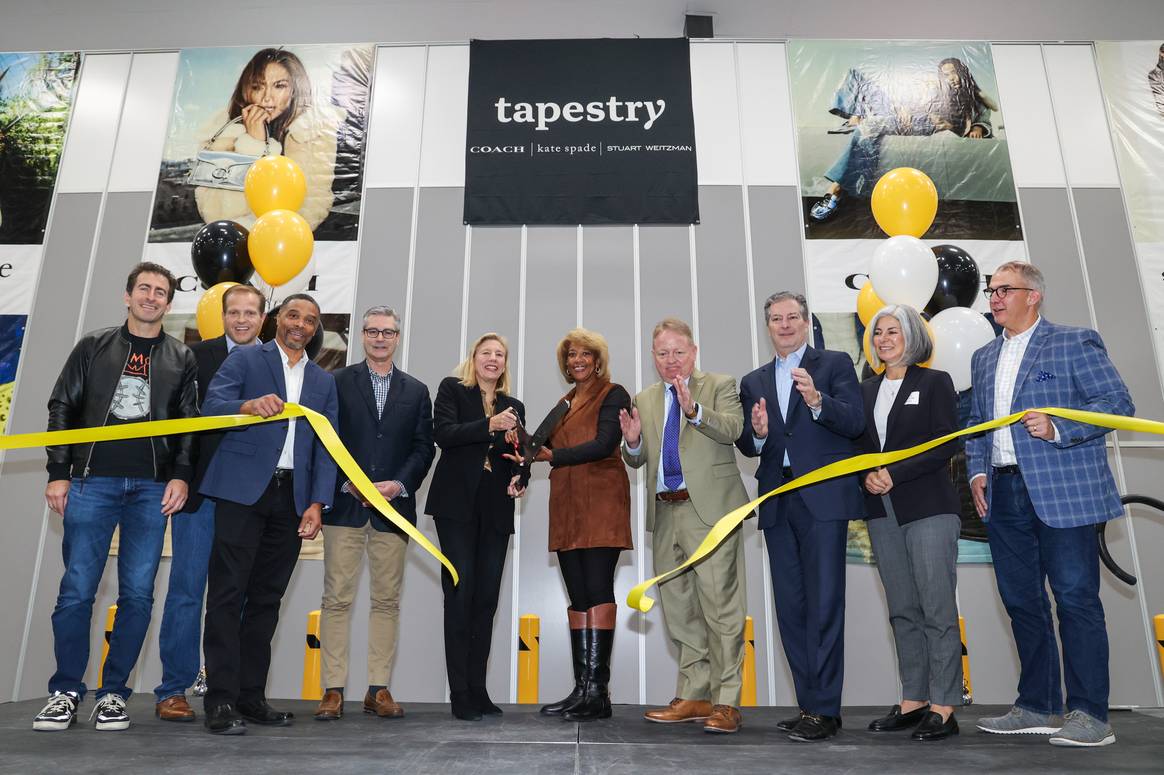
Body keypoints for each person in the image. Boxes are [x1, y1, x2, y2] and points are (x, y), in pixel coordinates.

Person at [966, 261, 1133, 748]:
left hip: (1065, 493)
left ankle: (1090, 716)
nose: (994, 298)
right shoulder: (981, 357)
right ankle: (1037, 705)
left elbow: (1117, 404)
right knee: (1021, 602)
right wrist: (977, 470)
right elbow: (976, 422)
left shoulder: (1074, 340)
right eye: (991, 291)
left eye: (1003, 290)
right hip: (1003, 493)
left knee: (1076, 600)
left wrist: (1060, 427)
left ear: (1033, 295)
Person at [33, 262, 198, 732]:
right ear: (127, 296)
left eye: (160, 291)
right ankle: (65, 691)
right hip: (90, 483)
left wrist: (181, 476)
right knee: (76, 593)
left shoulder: (181, 358)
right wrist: (59, 472)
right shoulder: (93, 346)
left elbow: (189, 425)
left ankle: (113, 694)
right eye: (143, 289)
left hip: (150, 490)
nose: (151, 297)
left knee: (139, 595)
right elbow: (62, 405)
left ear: (169, 302)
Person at [198, 294, 338, 735]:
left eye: (310, 320)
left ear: (315, 330)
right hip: (241, 493)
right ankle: (219, 700)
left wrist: (317, 503)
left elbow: (325, 447)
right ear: (278, 319)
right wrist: (246, 407)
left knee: (266, 600)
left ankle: (251, 697)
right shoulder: (244, 360)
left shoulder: (323, 381)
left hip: (291, 501)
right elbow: (210, 410)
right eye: (294, 315)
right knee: (226, 595)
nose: (300, 324)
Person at [736, 291, 865, 742]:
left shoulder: (835, 365)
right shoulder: (752, 381)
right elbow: (750, 446)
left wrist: (816, 401)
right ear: (767, 325)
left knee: (826, 604)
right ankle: (810, 704)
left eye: (793, 317)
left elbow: (855, 422)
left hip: (824, 501)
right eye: (776, 319)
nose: (785, 325)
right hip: (778, 503)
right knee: (791, 609)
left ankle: (826, 710)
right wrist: (756, 434)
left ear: (807, 322)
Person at [621, 318, 749, 735]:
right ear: (653, 357)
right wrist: (634, 443)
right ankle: (695, 694)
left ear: (693, 352)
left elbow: (733, 429)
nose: (671, 360)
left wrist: (694, 410)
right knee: (680, 613)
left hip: (709, 512)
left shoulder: (719, 384)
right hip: (665, 513)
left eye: (679, 351)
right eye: (662, 353)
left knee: (721, 611)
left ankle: (727, 700)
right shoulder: (645, 397)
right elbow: (639, 460)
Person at [313, 306, 434, 722]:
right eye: (373, 331)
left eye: (388, 332)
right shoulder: (337, 382)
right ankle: (332, 690)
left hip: (393, 511)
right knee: (336, 599)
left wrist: (395, 486)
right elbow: (325, 438)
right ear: (362, 336)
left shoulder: (417, 391)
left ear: (398, 337)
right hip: (345, 505)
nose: (380, 338)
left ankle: (378, 689)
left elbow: (423, 449)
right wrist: (351, 483)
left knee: (386, 602)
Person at [154, 284, 266, 722]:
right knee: (185, 591)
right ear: (222, 315)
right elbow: (180, 423)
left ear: (263, 317)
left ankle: (224, 686)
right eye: (234, 312)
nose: (241, 320)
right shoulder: (193, 358)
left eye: (250, 313)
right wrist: (179, 475)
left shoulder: (275, 362)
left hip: (249, 499)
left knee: (235, 597)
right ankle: (172, 689)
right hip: (198, 493)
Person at [858, 305, 963, 742]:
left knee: (936, 606)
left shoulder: (935, 382)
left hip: (929, 507)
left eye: (893, 331)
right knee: (902, 607)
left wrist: (894, 474)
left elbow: (945, 444)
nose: (884, 338)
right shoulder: (864, 390)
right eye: (877, 332)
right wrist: (863, 473)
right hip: (880, 511)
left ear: (913, 337)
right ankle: (914, 698)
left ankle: (945, 704)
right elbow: (855, 448)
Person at [520, 328, 631, 722]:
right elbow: (533, 446)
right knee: (579, 597)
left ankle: (598, 693)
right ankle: (583, 689)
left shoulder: (613, 393)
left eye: (584, 354)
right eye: (570, 356)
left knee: (598, 592)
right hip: (567, 508)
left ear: (597, 360)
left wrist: (554, 455)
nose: (577, 361)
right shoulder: (564, 402)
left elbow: (605, 444)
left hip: (601, 505)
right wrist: (517, 453)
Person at [425, 333, 527, 721]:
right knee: (460, 595)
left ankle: (480, 689)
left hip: (496, 508)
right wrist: (489, 424)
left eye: (500, 354)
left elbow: (520, 457)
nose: (493, 359)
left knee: (486, 601)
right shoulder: (453, 390)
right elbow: (444, 435)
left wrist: (521, 475)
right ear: (474, 358)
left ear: (505, 364)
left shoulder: (514, 405)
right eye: (487, 353)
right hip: (456, 508)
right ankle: (460, 693)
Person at [809, 57, 998, 222]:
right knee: (854, 76)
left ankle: (833, 192)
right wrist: (904, 106)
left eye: (954, 73)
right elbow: (920, 97)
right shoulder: (939, 89)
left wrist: (979, 126)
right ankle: (858, 115)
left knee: (867, 129)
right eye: (946, 75)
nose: (951, 78)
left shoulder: (973, 97)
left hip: (923, 124)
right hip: (903, 113)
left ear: (963, 73)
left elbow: (987, 112)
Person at [194, 48, 336, 231]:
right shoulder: (222, 134)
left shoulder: (311, 136)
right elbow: (215, 213)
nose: (267, 97)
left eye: (279, 86)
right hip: (234, 247)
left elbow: (313, 206)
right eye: (257, 87)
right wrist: (253, 145)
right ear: (246, 91)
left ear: (295, 90)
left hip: (285, 245)